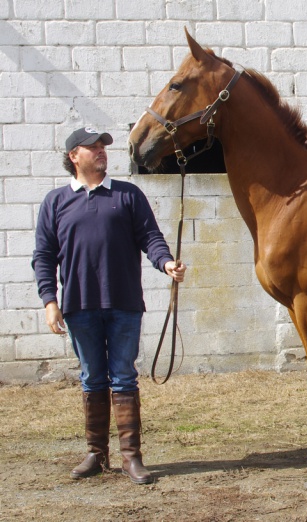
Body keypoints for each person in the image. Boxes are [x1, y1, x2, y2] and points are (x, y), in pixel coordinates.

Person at [32, 127, 186, 484]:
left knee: (124, 377)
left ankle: (131, 457)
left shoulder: (128, 195)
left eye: (104, 147)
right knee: (92, 378)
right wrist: (49, 301)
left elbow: (151, 238)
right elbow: (43, 256)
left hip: (124, 304)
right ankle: (96, 454)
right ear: (74, 156)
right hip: (78, 305)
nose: (102, 151)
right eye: (93, 147)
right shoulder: (56, 202)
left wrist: (166, 263)